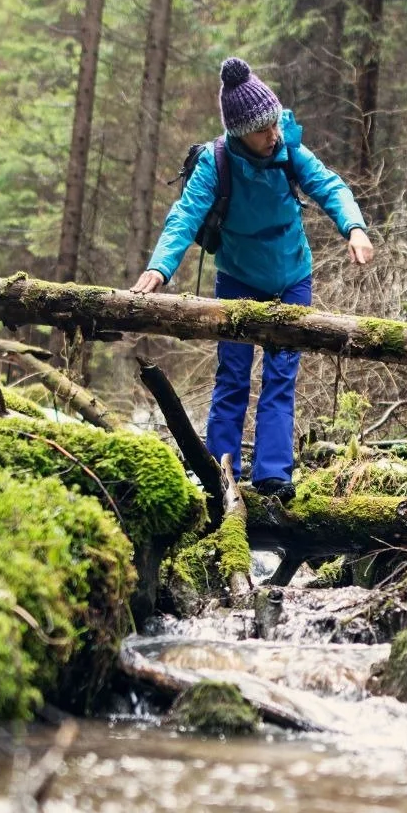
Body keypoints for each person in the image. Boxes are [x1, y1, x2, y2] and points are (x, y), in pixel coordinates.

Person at [132, 57, 375, 500]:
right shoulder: (216, 161)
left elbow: (331, 186)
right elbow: (184, 216)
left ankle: (274, 478)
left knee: (281, 378)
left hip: (291, 280)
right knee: (233, 377)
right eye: (262, 130)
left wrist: (354, 227)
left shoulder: (289, 150)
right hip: (238, 279)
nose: (272, 134)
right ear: (239, 131)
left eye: (273, 124)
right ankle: (219, 475)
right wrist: (159, 267)